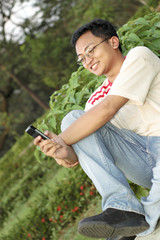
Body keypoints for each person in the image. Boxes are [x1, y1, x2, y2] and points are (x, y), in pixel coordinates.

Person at [34, 19, 160, 240]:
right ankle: (123, 207)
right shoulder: (94, 101)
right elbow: (79, 152)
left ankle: (139, 223)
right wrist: (63, 152)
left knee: (77, 124)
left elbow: (108, 109)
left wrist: (62, 139)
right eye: (81, 58)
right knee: (73, 118)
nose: (87, 60)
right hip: (141, 160)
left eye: (91, 50)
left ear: (113, 42)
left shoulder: (139, 57)